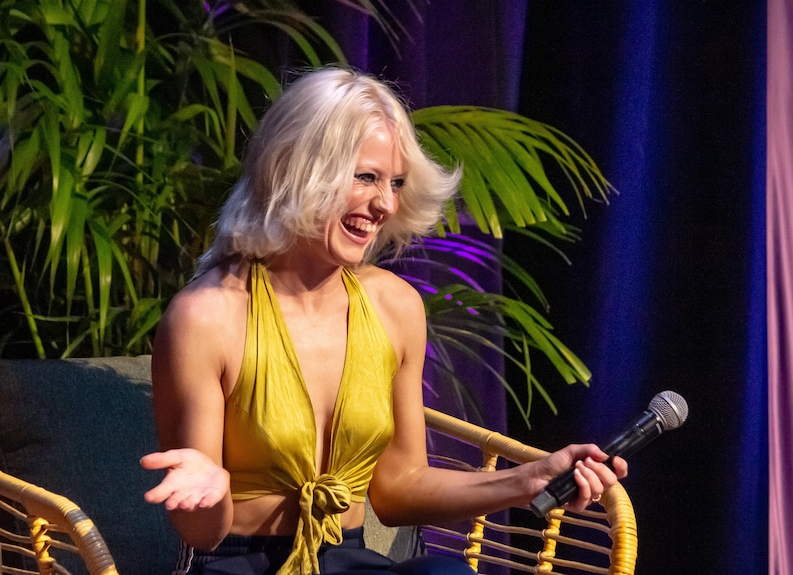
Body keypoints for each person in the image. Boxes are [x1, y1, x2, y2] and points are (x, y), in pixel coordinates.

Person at [140, 67, 628, 575]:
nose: (386, 204)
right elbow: (199, 532)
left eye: (395, 183)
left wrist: (527, 479)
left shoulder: (395, 307)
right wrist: (210, 491)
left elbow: (397, 488)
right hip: (234, 564)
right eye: (366, 177)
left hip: (347, 560)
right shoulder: (206, 316)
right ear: (297, 169)